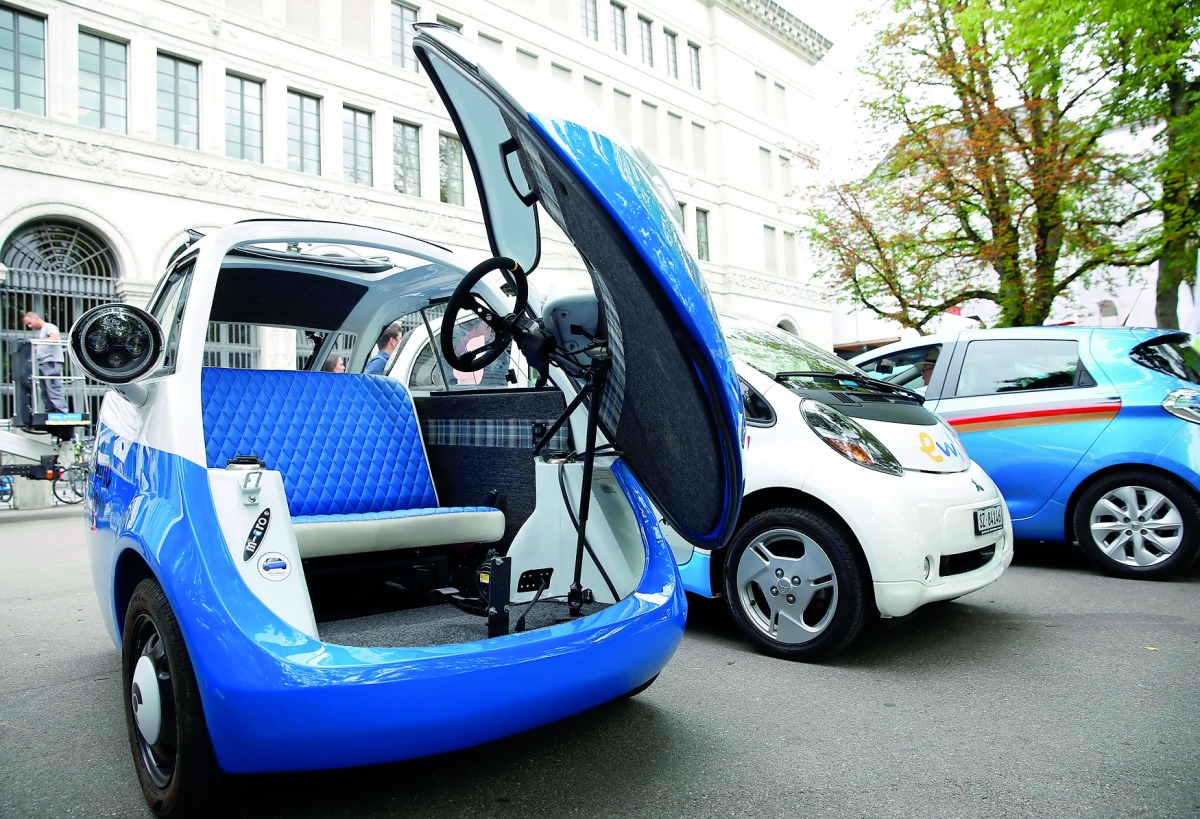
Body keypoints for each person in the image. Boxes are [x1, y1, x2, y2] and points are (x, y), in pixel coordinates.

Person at [22, 311, 68, 413]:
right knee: (45, 390)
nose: (30, 326)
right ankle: (52, 409)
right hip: (45, 362)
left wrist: (38, 344)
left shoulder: (49, 327)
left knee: (53, 387)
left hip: (51, 361)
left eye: (30, 323)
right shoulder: (43, 331)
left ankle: (61, 410)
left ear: (36, 318)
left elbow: (55, 338)